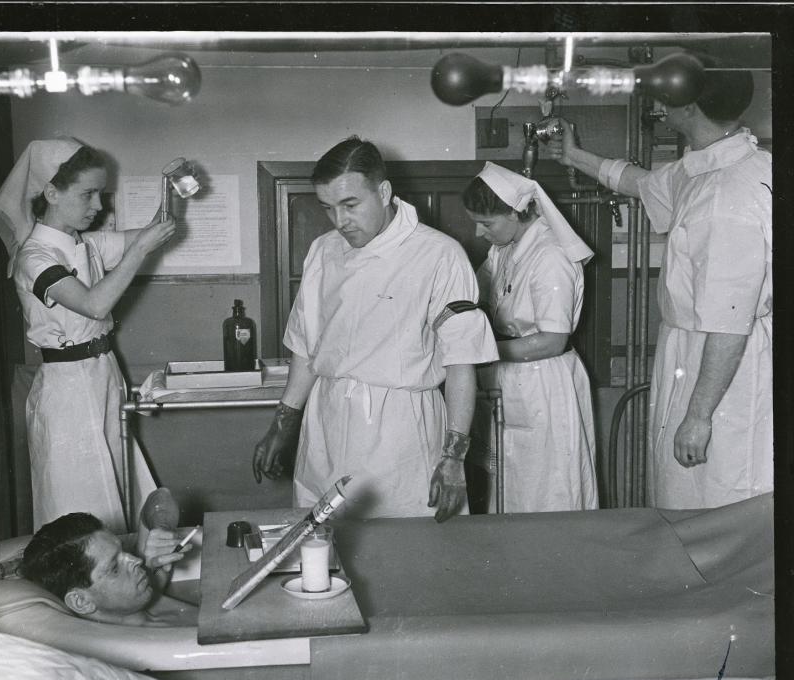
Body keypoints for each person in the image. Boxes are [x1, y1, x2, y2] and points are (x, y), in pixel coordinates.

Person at [545, 56, 772, 509]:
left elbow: (729, 321)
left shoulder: (727, 195)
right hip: (698, 348)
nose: (657, 109)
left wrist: (700, 415)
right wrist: (573, 155)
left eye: (663, 100)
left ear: (687, 107)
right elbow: (643, 182)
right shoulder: (719, 164)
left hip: (723, 358)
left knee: (717, 495)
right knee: (687, 491)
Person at [252, 136, 498, 522]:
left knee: (407, 550)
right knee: (323, 548)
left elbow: (461, 363)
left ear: (383, 191)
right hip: (327, 422)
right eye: (329, 208)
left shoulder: (439, 254)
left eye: (351, 205)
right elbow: (306, 347)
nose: (340, 221)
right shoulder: (324, 251)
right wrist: (284, 420)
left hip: (402, 432)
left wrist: (454, 457)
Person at [0, 138, 176, 533]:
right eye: (89, 194)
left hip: (103, 375)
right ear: (51, 192)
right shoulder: (35, 257)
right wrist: (139, 249)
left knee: (120, 492)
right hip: (67, 389)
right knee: (79, 505)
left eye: (101, 194)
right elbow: (94, 304)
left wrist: (170, 188)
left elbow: (152, 233)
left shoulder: (85, 243)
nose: (99, 207)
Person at [463, 162, 598, 513]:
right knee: (510, 489)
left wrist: (479, 351)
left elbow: (552, 340)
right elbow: (470, 293)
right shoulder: (505, 248)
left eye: (487, 223)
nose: (479, 232)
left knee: (544, 492)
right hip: (511, 377)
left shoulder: (550, 256)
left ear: (516, 212)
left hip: (544, 383)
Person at [19, 511, 195, 627]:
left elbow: (157, 500)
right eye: (115, 568)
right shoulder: (146, 647)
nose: (136, 560)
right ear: (82, 601)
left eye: (124, 550)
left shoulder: (143, 592)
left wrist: (161, 529)